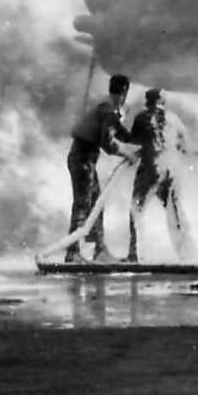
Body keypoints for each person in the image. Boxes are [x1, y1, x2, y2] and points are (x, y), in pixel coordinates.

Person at [66, 74, 136, 263]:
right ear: (125, 92)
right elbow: (108, 142)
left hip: (84, 158)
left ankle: (99, 250)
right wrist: (127, 154)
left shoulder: (107, 105)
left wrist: (133, 140)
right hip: (83, 159)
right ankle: (72, 253)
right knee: (83, 205)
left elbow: (117, 130)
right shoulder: (109, 109)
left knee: (96, 204)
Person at [126, 88, 194, 263]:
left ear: (147, 102)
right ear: (163, 102)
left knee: (136, 208)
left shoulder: (142, 117)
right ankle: (185, 255)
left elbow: (134, 141)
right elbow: (185, 145)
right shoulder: (174, 119)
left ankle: (136, 254)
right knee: (175, 212)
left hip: (151, 168)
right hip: (171, 169)